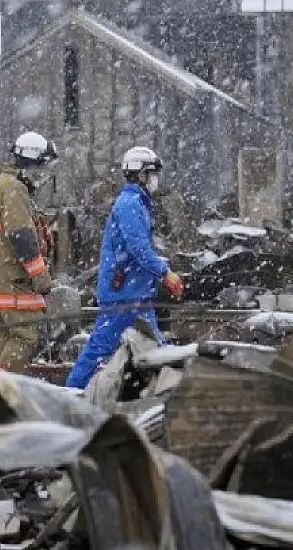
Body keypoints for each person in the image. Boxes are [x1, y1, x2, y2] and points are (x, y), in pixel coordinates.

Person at [66, 146, 185, 389]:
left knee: (152, 346)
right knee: (100, 349)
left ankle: (163, 392)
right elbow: (139, 249)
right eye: (152, 173)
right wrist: (165, 274)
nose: (155, 179)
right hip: (124, 294)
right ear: (140, 175)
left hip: (135, 293)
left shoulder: (138, 203)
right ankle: (71, 392)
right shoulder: (130, 204)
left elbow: (140, 250)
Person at [0, 131, 58, 373]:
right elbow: (21, 236)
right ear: (29, 162)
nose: (43, 175)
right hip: (13, 282)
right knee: (26, 338)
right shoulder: (14, 189)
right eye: (41, 167)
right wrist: (40, 275)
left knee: (2, 346)